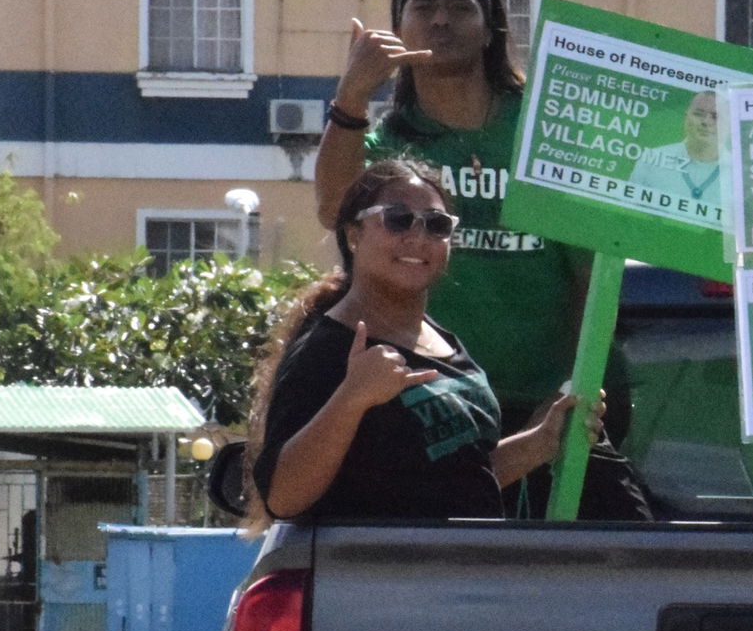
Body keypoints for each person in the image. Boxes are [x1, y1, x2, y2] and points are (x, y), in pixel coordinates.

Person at [312, 0, 649, 520]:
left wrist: (568, 389)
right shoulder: (388, 140)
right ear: (398, 29)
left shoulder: (543, 127)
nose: (440, 19)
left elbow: (594, 279)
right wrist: (351, 96)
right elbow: (333, 207)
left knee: (624, 560)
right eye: (423, 5)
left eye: (459, 5)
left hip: (557, 403)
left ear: (492, 29)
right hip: (432, 405)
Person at [246, 161, 592, 526]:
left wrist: (540, 442)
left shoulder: (442, 339)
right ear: (353, 235)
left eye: (436, 224)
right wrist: (352, 397)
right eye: (397, 218)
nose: (418, 236)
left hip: (458, 573)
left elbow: (455, 480)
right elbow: (282, 498)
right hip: (380, 576)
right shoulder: (329, 349)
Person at [629, 90, 722, 222]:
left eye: (715, 116)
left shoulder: (742, 176)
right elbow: (629, 213)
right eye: (698, 114)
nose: (706, 122)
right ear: (686, 117)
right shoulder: (652, 158)